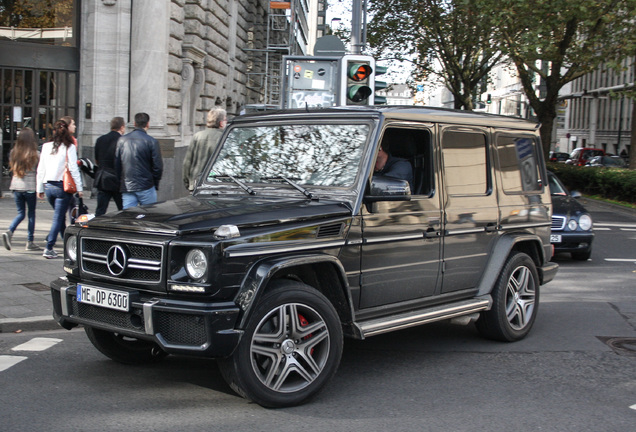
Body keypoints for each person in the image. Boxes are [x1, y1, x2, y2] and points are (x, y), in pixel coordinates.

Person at [36, 118, 84, 259]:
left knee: (60, 217)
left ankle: (67, 245)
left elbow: (41, 168)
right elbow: (73, 169)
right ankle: (49, 247)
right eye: (73, 124)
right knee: (58, 218)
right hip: (62, 187)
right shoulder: (69, 147)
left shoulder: (46, 146)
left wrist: (39, 188)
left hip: (48, 186)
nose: (74, 126)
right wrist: (79, 188)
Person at [3, 127, 42, 251]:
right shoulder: (35, 153)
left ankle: (10, 230)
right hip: (30, 187)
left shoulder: (13, 152)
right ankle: (30, 241)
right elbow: (39, 170)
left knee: (21, 213)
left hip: (16, 186)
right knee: (31, 214)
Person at [115, 112, 163, 209]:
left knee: (128, 216)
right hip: (146, 185)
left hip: (128, 185)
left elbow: (117, 164)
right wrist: (154, 182)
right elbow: (158, 167)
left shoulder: (122, 140)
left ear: (134, 123)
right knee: (149, 216)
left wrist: (121, 181)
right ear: (148, 124)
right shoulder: (152, 141)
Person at [183, 107, 227, 192]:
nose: (227, 122)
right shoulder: (224, 137)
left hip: (196, 184)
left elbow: (187, 163)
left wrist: (189, 184)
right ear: (221, 123)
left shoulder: (197, 136)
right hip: (216, 186)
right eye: (225, 120)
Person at [94, 116, 125, 215]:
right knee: (122, 209)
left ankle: (96, 227)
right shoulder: (123, 140)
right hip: (117, 179)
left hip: (103, 178)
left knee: (101, 209)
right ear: (122, 127)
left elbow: (97, 159)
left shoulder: (100, 139)